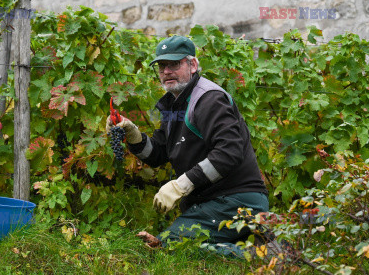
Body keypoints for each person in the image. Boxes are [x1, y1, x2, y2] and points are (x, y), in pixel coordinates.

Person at [106, 35, 269, 257]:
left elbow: (229, 153)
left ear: (192, 65)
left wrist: (181, 185)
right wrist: (134, 135)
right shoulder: (175, 103)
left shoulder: (209, 99)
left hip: (237, 200)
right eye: (162, 66)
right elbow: (159, 153)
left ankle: (266, 256)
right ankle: (252, 250)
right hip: (213, 202)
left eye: (174, 64)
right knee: (171, 246)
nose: (166, 71)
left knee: (173, 246)